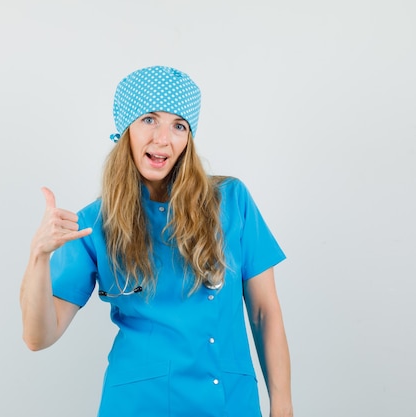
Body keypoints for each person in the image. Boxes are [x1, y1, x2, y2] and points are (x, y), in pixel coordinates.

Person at [20, 65, 293, 417]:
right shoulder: (92, 223)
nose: (163, 138)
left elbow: (264, 312)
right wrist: (38, 258)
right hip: (137, 405)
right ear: (126, 130)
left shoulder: (230, 201)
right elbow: (38, 337)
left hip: (228, 401)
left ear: (188, 139)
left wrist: (282, 407)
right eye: (149, 119)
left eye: (179, 125)